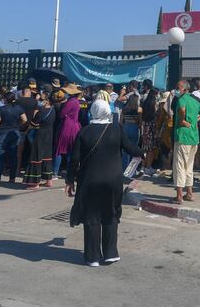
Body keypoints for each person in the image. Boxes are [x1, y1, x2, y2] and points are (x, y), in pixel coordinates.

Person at [66, 98, 143, 266]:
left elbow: (75, 159)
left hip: (89, 180)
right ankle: (110, 253)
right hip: (113, 181)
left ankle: (93, 257)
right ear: (107, 111)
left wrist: (70, 180)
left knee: (92, 216)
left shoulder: (84, 132)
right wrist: (143, 153)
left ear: (92, 111)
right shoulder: (116, 129)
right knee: (110, 214)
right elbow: (132, 149)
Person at [171, 80, 200, 204]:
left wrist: (182, 119)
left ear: (184, 89)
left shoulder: (182, 100)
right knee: (189, 166)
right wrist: (197, 120)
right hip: (194, 138)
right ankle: (189, 193)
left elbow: (181, 110)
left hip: (183, 137)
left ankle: (179, 196)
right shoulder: (194, 100)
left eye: (178, 87)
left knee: (180, 166)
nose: (176, 89)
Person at [24, 87, 57, 189]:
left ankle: (35, 182)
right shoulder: (53, 111)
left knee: (36, 156)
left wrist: (27, 128)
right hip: (49, 134)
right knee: (47, 156)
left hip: (41, 134)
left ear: (46, 100)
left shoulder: (41, 111)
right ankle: (49, 180)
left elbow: (34, 123)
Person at [0, 92, 27, 185]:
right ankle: (12, 178)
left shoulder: (1, 109)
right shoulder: (18, 108)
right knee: (13, 156)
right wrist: (18, 125)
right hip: (14, 132)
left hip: (2, 132)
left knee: (0, 156)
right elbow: (25, 119)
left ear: (4, 99)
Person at [55, 84, 83, 177]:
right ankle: (71, 171)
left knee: (59, 149)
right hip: (75, 126)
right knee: (71, 150)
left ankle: (55, 172)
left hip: (67, 126)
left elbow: (62, 114)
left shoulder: (71, 101)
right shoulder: (76, 101)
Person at [118, 81, 142, 170]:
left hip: (126, 126)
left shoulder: (129, 97)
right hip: (135, 126)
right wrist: (139, 123)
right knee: (134, 148)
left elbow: (119, 99)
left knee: (125, 149)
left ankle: (124, 168)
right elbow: (140, 116)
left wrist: (122, 93)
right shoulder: (139, 98)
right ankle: (132, 170)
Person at [140, 87, 160, 176]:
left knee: (145, 148)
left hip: (145, 126)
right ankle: (148, 167)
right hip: (152, 126)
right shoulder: (154, 103)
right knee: (151, 149)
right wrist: (157, 129)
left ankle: (143, 167)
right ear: (155, 94)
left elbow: (141, 114)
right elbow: (156, 116)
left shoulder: (145, 102)